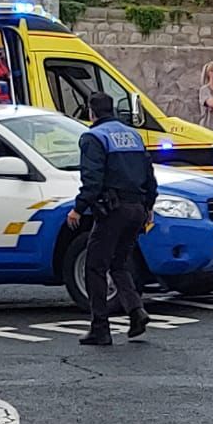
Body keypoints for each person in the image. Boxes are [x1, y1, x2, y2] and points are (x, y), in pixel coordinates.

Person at [66, 92, 157, 347]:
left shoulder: (93, 137)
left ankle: (100, 328)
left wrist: (78, 208)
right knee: (118, 263)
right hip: (137, 209)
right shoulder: (132, 135)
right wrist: (149, 204)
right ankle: (136, 312)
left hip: (112, 210)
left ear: (91, 111)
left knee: (94, 267)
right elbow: (149, 175)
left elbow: (92, 180)